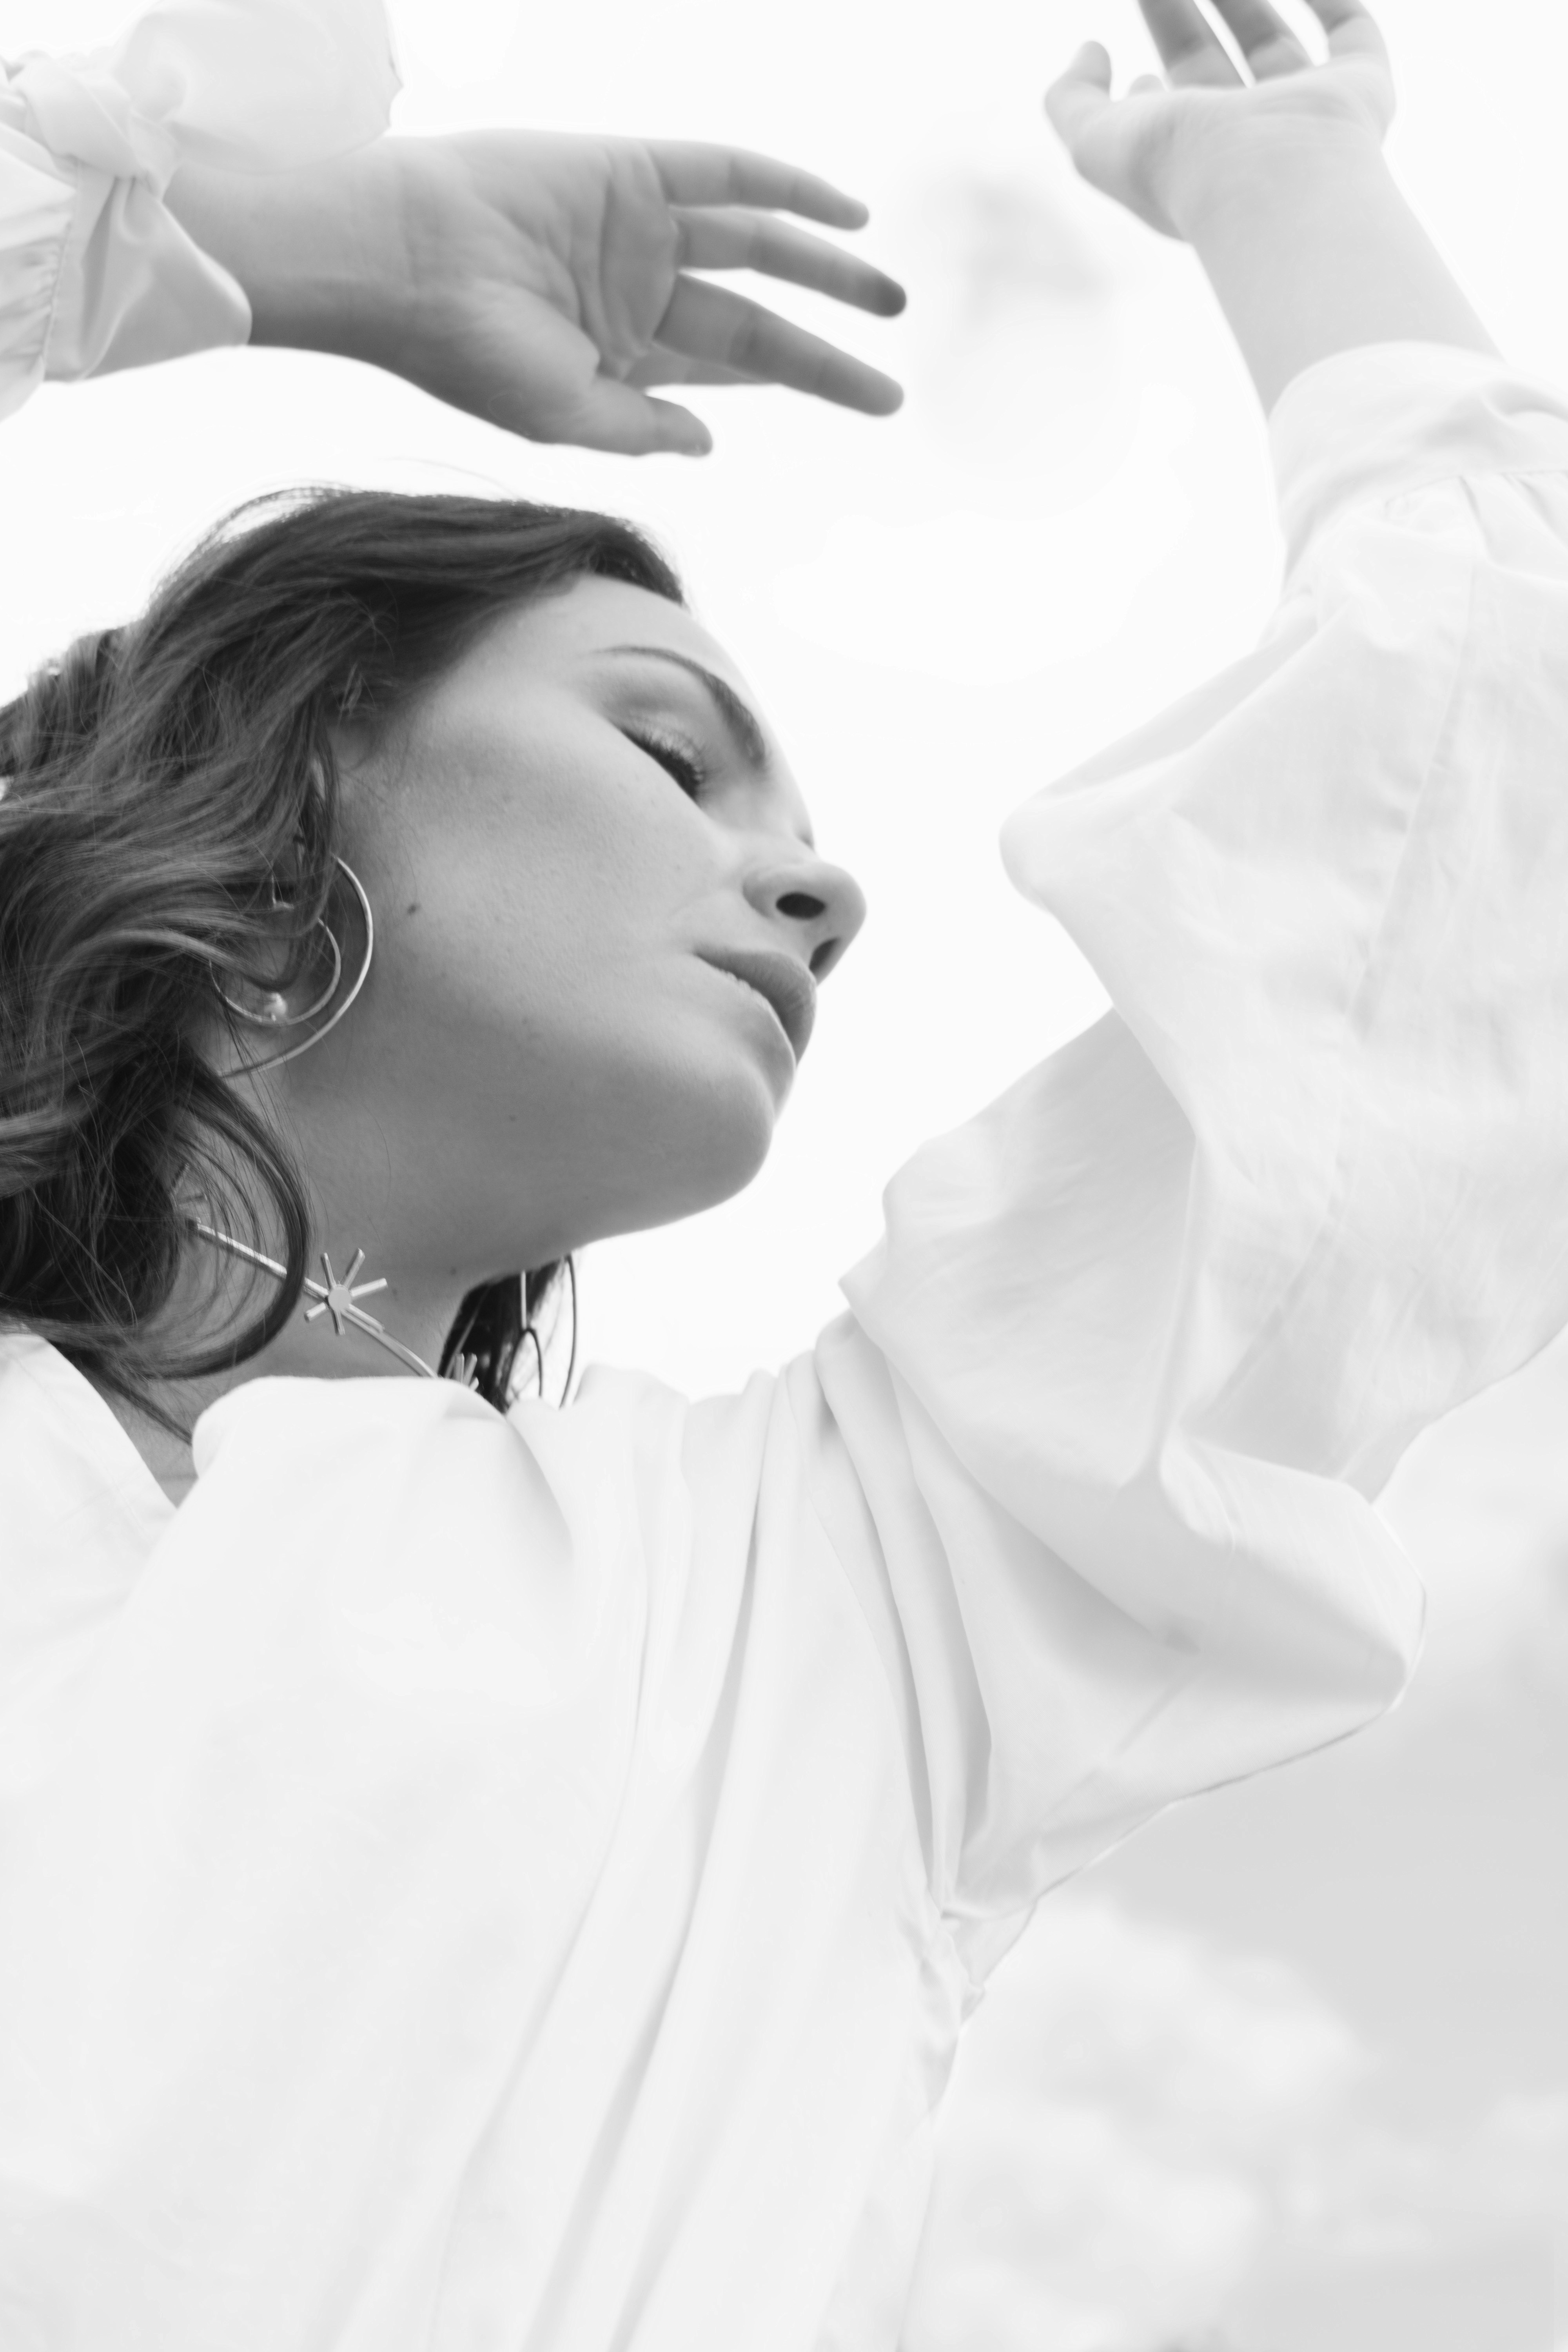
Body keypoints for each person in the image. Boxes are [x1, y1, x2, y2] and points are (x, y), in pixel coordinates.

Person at [2, 0, 1565, 2345]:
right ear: (275, 794)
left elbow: (1478, 814)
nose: (821, 893)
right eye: (669, 750)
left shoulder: (840, 1600)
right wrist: (264, 247)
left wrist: (1289, 181)